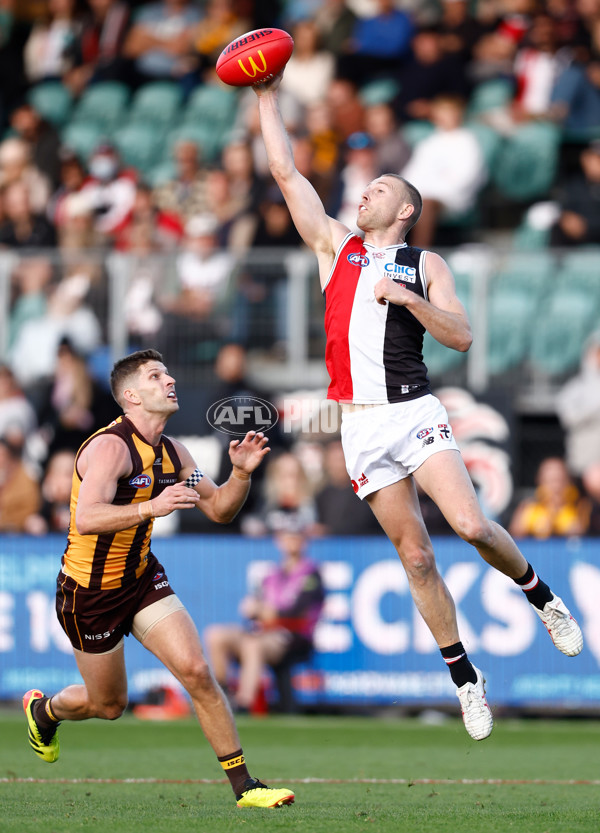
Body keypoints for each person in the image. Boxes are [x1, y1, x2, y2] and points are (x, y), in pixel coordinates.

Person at [253, 70, 583, 743]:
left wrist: (408, 299)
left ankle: (540, 595)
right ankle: (465, 677)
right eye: (366, 187)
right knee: (417, 557)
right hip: (360, 422)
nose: (366, 190)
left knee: (469, 522)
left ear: (404, 209)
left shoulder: (423, 262)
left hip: (413, 408)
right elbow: (287, 171)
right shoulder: (335, 248)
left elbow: (460, 333)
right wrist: (265, 97)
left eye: (381, 189)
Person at [22, 348, 294, 809]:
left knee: (197, 671)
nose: (168, 380)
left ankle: (246, 787)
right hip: (90, 593)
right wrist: (153, 506)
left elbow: (220, 508)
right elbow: (86, 518)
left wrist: (242, 474)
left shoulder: (175, 453)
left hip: (142, 579)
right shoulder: (110, 448)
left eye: (168, 373)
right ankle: (43, 711)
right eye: (155, 375)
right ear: (131, 396)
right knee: (108, 706)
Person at [204, 509, 324, 712]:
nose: (291, 540)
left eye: (296, 536)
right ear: (279, 540)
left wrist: (264, 611)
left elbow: (296, 611)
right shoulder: (271, 575)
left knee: (253, 645)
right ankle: (220, 695)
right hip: (264, 631)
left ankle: (244, 703)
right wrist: (254, 609)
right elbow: (255, 607)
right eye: (287, 535)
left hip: (292, 636)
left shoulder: (311, 573)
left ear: (304, 540)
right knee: (216, 635)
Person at [508, 456, 589, 539]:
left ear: (569, 481)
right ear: (540, 481)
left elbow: (584, 532)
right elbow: (514, 537)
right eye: (550, 481)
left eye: (559, 480)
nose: (556, 488)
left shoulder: (579, 505)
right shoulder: (528, 506)